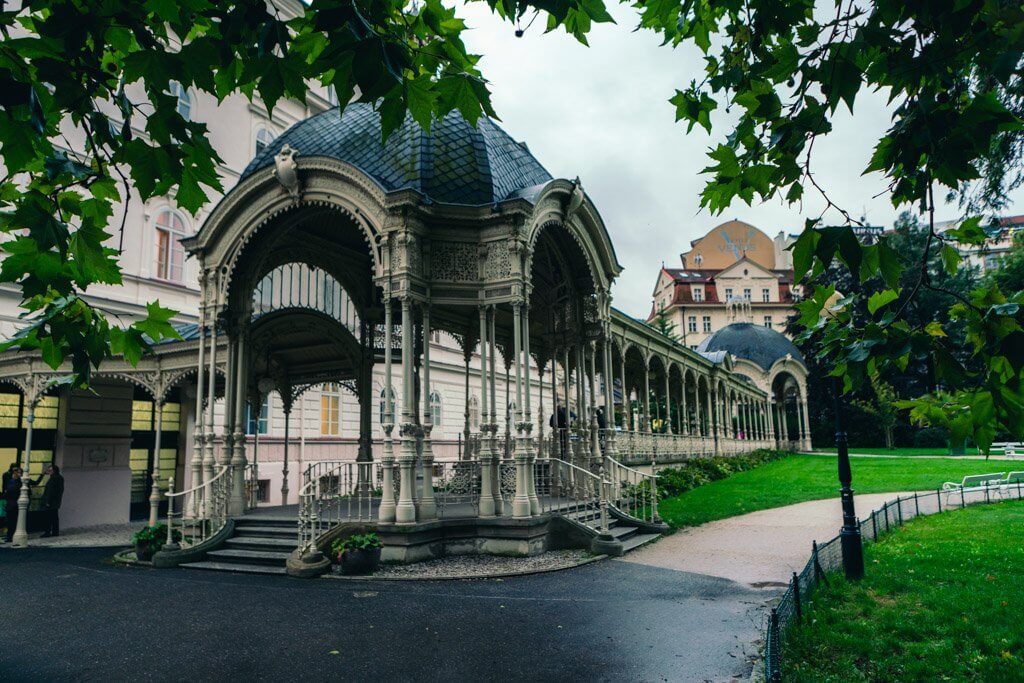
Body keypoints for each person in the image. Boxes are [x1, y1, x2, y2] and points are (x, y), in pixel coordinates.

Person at [33, 463, 64, 538]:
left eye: (50, 470)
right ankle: (55, 532)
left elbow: (51, 491)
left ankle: (48, 532)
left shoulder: (54, 478)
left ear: (54, 471)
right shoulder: (59, 477)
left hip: (51, 502)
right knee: (54, 517)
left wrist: (48, 502)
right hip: (55, 502)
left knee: (48, 517)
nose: (49, 471)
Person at [3, 466, 23, 543]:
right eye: (14, 471)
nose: (15, 473)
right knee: (9, 520)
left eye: (17, 472)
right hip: (10, 503)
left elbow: (11, 490)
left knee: (12, 521)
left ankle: (10, 536)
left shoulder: (20, 481)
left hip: (15, 503)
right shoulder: (11, 480)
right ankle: (9, 536)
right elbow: (7, 490)